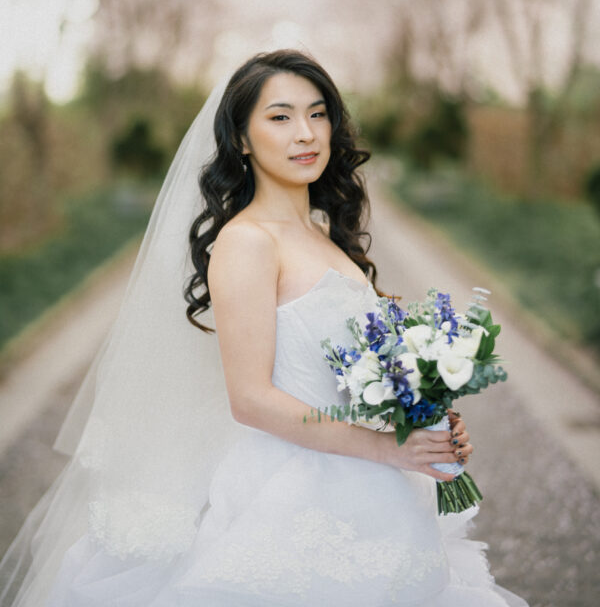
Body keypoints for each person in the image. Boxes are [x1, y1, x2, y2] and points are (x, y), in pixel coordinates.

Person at [0, 49, 529, 606]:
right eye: (280, 117)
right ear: (242, 140)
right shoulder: (248, 241)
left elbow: (357, 370)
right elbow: (251, 399)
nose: (306, 133)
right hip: (295, 491)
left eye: (318, 113)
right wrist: (388, 450)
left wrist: (420, 417)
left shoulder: (324, 232)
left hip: (370, 478)